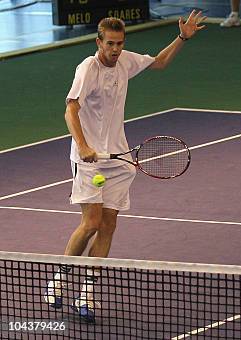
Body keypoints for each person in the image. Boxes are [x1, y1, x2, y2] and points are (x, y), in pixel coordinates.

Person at [44, 12, 206, 323]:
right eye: (110, 44)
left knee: (108, 226)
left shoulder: (125, 61)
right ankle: (59, 281)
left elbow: (159, 62)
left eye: (119, 44)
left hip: (119, 160)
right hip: (89, 160)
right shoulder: (87, 69)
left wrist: (182, 38)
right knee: (90, 223)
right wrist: (83, 146)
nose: (115, 50)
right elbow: (70, 110)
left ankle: (87, 294)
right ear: (98, 42)